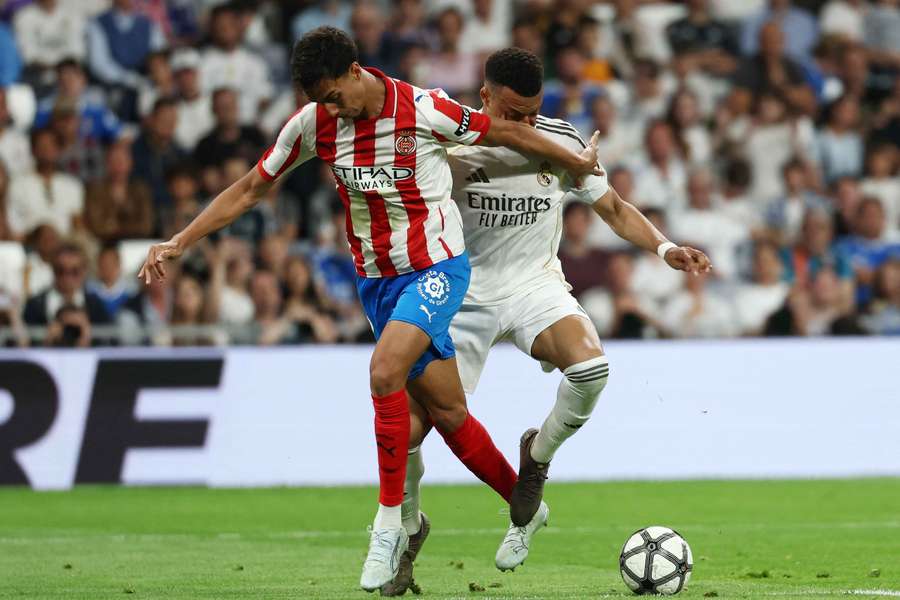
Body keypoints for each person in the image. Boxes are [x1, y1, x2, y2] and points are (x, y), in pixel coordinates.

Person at [136, 27, 602, 593]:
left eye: (334, 95)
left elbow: (505, 131)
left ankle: (387, 528)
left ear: (355, 71)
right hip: (377, 284)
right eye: (319, 100)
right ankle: (524, 503)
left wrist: (575, 160)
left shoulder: (424, 108)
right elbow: (250, 189)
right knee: (447, 415)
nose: (330, 107)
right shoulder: (313, 124)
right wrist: (180, 241)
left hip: (437, 269)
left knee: (383, 371)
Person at [382, 48, 711, 596]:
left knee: (593, 368)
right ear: (484, 97)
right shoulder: (448, 143)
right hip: (460, 294)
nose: (526, 126)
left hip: (535, 284)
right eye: (513, 115)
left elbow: (613, 208)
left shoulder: (561, 141)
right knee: (411, 432)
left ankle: (535, 459)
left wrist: (665, 246)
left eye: (533, 114)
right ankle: (407, 534)